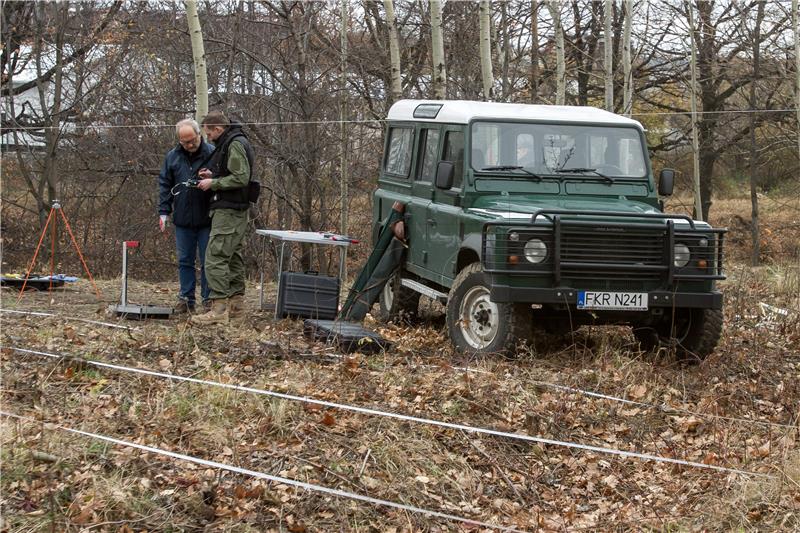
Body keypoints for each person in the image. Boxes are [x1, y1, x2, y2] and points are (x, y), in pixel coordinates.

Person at [190, 110, 255, 325]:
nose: (207, 138)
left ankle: (218, 310)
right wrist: (214, 175)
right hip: (234, 208)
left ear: (218, 129)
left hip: (229, 209)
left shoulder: (233, 144)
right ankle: (237, 310)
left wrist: (213, 183)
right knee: (233, 257)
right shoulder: (231, 142)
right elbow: (234, 173)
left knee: (215, 257)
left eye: (209, 133)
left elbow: (241, 177)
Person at [158, 118, 214, 313]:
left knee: (209, 260)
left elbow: (224, 180)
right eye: (185, 142)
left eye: (193, 140)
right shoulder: (172, 157)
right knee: (185, 260)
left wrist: (212, 178)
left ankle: (209, 299)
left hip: (208, 217)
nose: (190, 145)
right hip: (182, 218)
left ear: (199, 135)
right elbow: (165, 184)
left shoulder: (212, 153)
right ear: (179, 140)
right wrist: (163, 211)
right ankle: (186, 298)